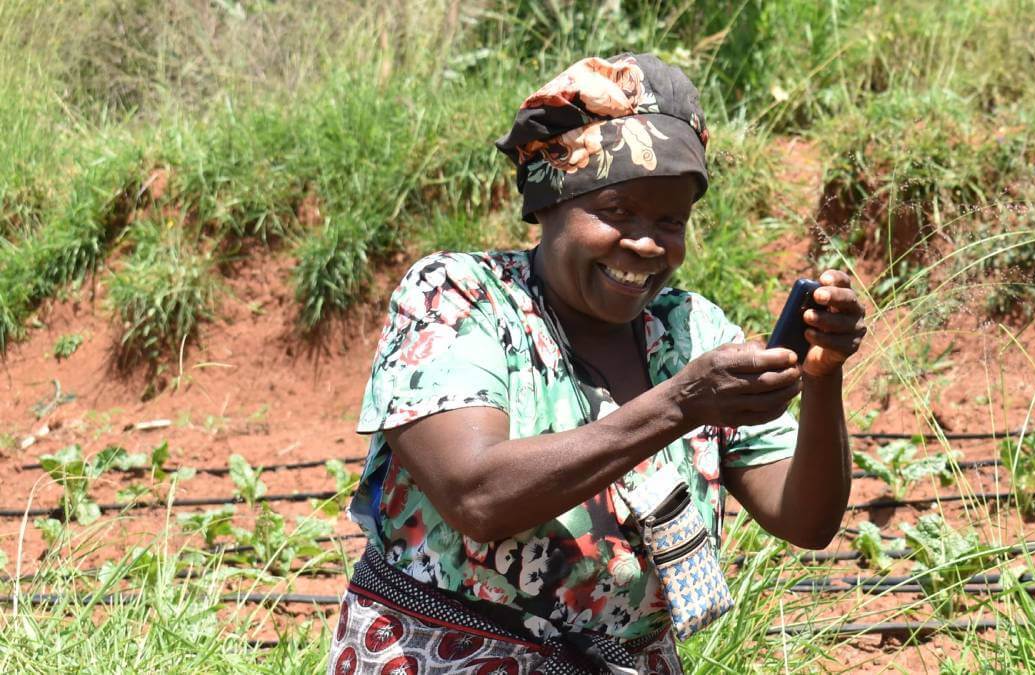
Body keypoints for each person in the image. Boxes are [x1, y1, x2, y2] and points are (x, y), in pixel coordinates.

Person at [328, 53, 866, 675]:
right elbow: (475, 495)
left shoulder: (689, 332)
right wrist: (680, 405)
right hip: (440, 659)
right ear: (550, 203)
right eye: (617, 213)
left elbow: (806, 519)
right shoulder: (460, 298)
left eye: (671, 220)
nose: (646, 242)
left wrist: (822, 379)